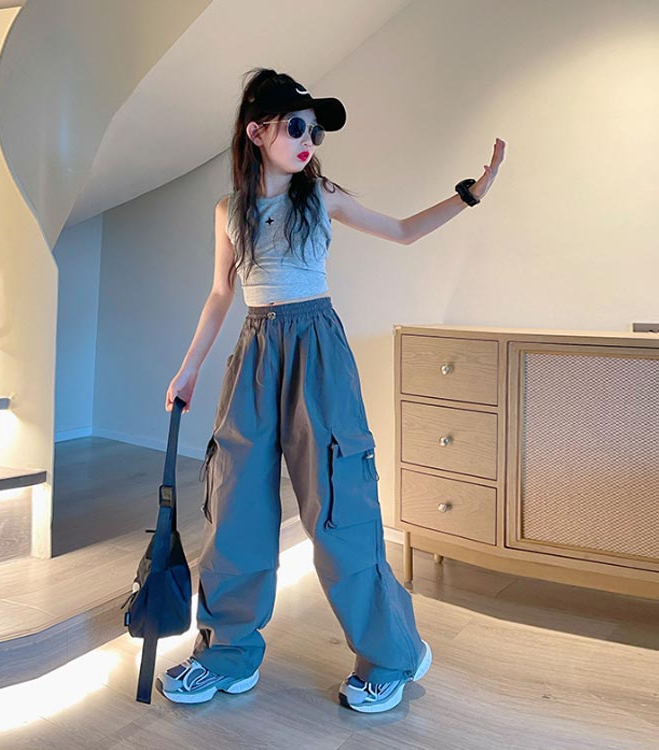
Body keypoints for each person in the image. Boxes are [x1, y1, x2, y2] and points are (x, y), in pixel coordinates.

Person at [161, 67, 505, 713]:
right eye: (296, 127)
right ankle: (228, 653)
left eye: (314, 132)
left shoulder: (321, 196)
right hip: (255, 354)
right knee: (235, 505)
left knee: (339, 506)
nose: (307, 141)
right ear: (256, 131)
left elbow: (402, 231)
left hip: (317, 351)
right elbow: (221, 293)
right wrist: (189, 369)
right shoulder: (229, 210)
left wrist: (470, 195)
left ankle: (392, 653)